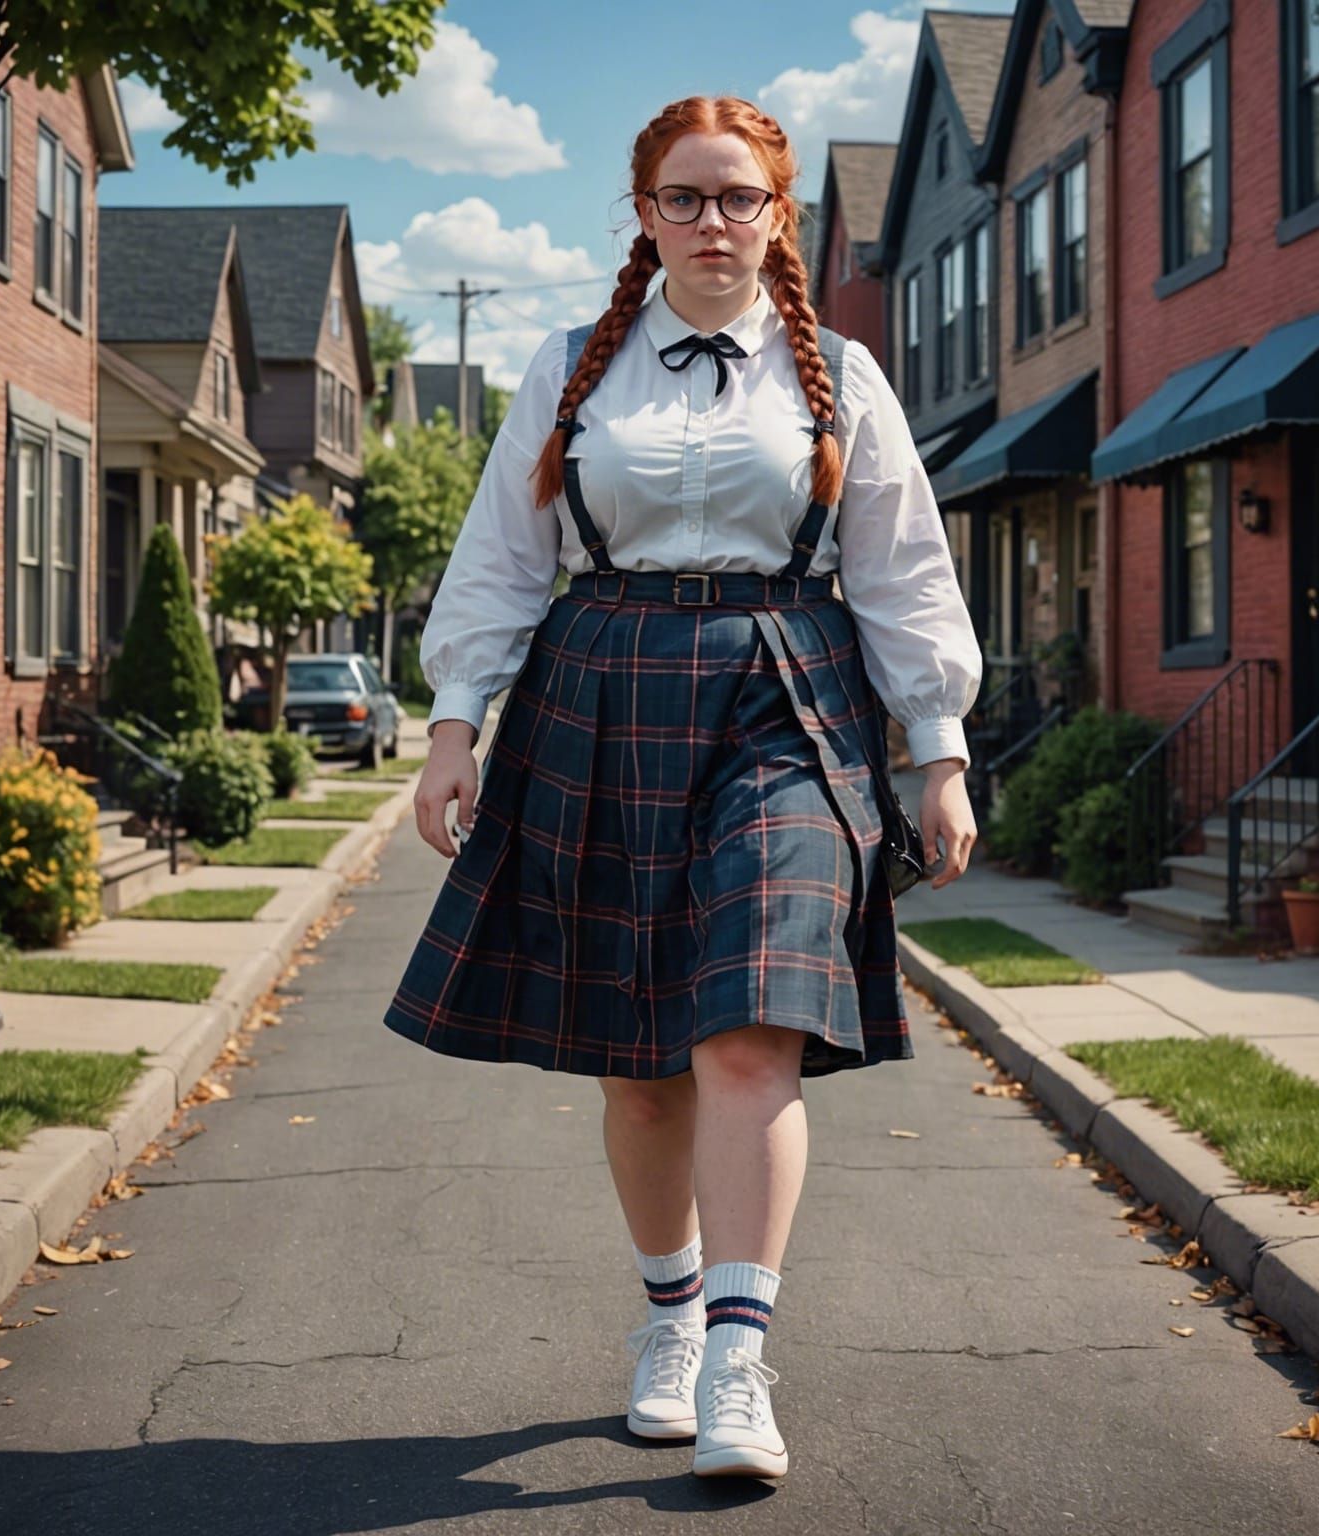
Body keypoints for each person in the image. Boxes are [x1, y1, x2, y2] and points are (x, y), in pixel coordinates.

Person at [385, 94, 982, 1480]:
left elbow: (898, 569)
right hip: (601, 695)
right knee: (642, 1069)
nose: (711, 223)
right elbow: (501, 560)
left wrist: (938, 751)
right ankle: (667, 1316)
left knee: (751, 1031)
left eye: (737, 199)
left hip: (791, 696)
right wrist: (454, 726)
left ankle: (736, 1356)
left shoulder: (841, 369)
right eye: (683, 199)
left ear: (780, 215)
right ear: (643, 213)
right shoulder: (570, 369)